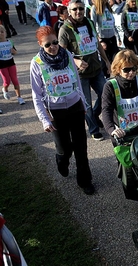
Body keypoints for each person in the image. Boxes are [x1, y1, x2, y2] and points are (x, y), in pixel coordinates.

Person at [30, 26, 95, 195]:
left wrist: (84, 104)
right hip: (55, 112)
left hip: (74, 107)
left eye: (55, 42)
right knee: (65, 147)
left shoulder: (67, 55)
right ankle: (61, 158)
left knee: (81, 146)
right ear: (40, 45)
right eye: (47, 45)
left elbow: (77, 82)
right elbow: (36, 95)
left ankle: (84, 180)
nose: (53, 47)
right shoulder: (36, 63)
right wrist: (44, 119)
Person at [101, 49, 138, 196]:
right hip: (120, 132)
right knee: (126, 162)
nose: (131, 73)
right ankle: (128, 184)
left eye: (134, 69)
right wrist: (111, 129)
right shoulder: (110, 86)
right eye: (126, 70)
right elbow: (106, 110)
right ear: (117, 69)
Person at [59, 0, 111, 141]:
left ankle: (94, 116)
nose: (78, 12)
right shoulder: (65, 29)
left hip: (97, 69)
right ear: (69, 11)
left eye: (81, 9)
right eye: (75, 9)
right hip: (80, 75)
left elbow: (97, 44)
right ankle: (93, 129)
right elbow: (61, 53)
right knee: (86, 103)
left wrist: (106, 60)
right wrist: (75, 60)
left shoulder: (89, 22)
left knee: (106, 96)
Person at [121, 0, 138, 80]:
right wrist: (128, 36)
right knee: (129, 57)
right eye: (132, 2)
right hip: (129, 38)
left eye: (134, 2)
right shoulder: (125, 12)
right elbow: (123, 24)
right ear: (128, 2)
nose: (134, 3)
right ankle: (130, 72)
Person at [0, 25, 25, 105]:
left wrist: (13, 51)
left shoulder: (9, 42)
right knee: (7, 81)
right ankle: (5, 89)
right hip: (2, 65)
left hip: (11, 62)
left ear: (5, 32)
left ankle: (19, 97)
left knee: (15, 80)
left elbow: (15, 52)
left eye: (2, 32)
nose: (1, 34)